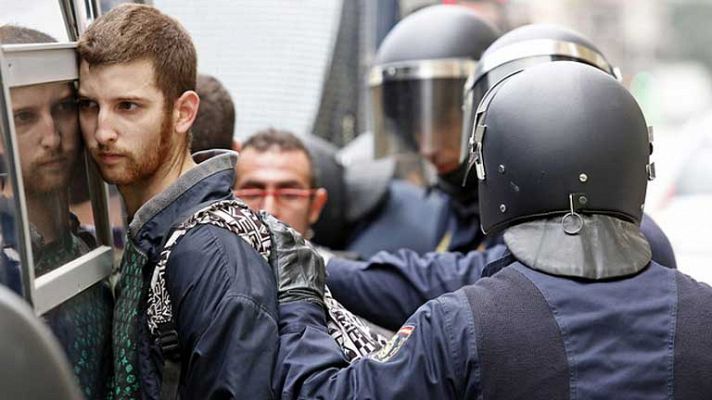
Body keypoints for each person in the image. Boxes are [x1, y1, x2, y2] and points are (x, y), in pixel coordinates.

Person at [271, 61, 712, 399]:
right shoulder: (704, 312)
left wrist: (298, 301)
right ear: (639, 166)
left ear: (496, 169)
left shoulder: (460, 323)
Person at [325, 24, 678, 331]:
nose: (427, 142)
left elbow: (469, 279)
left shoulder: (633, 236)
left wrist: (322, 269)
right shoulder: (467, 210)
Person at [76, 5, 277, 398]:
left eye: (127, 107)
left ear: (183, 112)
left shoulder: (209, 253)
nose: (102, 132)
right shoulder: (155, 232)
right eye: (88, 106)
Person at [1, 25, 113, 399]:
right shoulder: (6, 269)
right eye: (24, 117)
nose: (52, 136)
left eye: (63, 107)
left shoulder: (89, 249)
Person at [235, 128, 388, 359]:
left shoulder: (354, 293)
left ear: (316, 205)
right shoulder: (204, 283)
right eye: (253, 191)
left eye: (289, 194)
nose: (269, 209)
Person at [369, 4, 499, 253]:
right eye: (416, 127)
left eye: (443, 122)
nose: (427, 147)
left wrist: (332, 266)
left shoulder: (520, 206)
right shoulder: (449, 205)